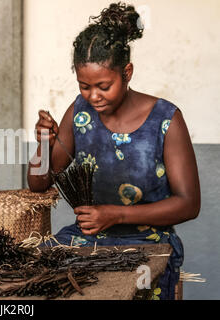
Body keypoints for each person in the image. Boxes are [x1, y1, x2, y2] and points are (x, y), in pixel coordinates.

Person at [27, 2, 200, 300]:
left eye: (103, 86)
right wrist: (43, 143)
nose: (93, 96)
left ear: (127, 73)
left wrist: (116, 215)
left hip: (148, 243)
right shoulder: (80, 113)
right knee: (33, 276)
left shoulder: (166, 120)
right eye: (84, 86)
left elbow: (188, 205)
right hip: (88, 240)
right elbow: (39, 183)